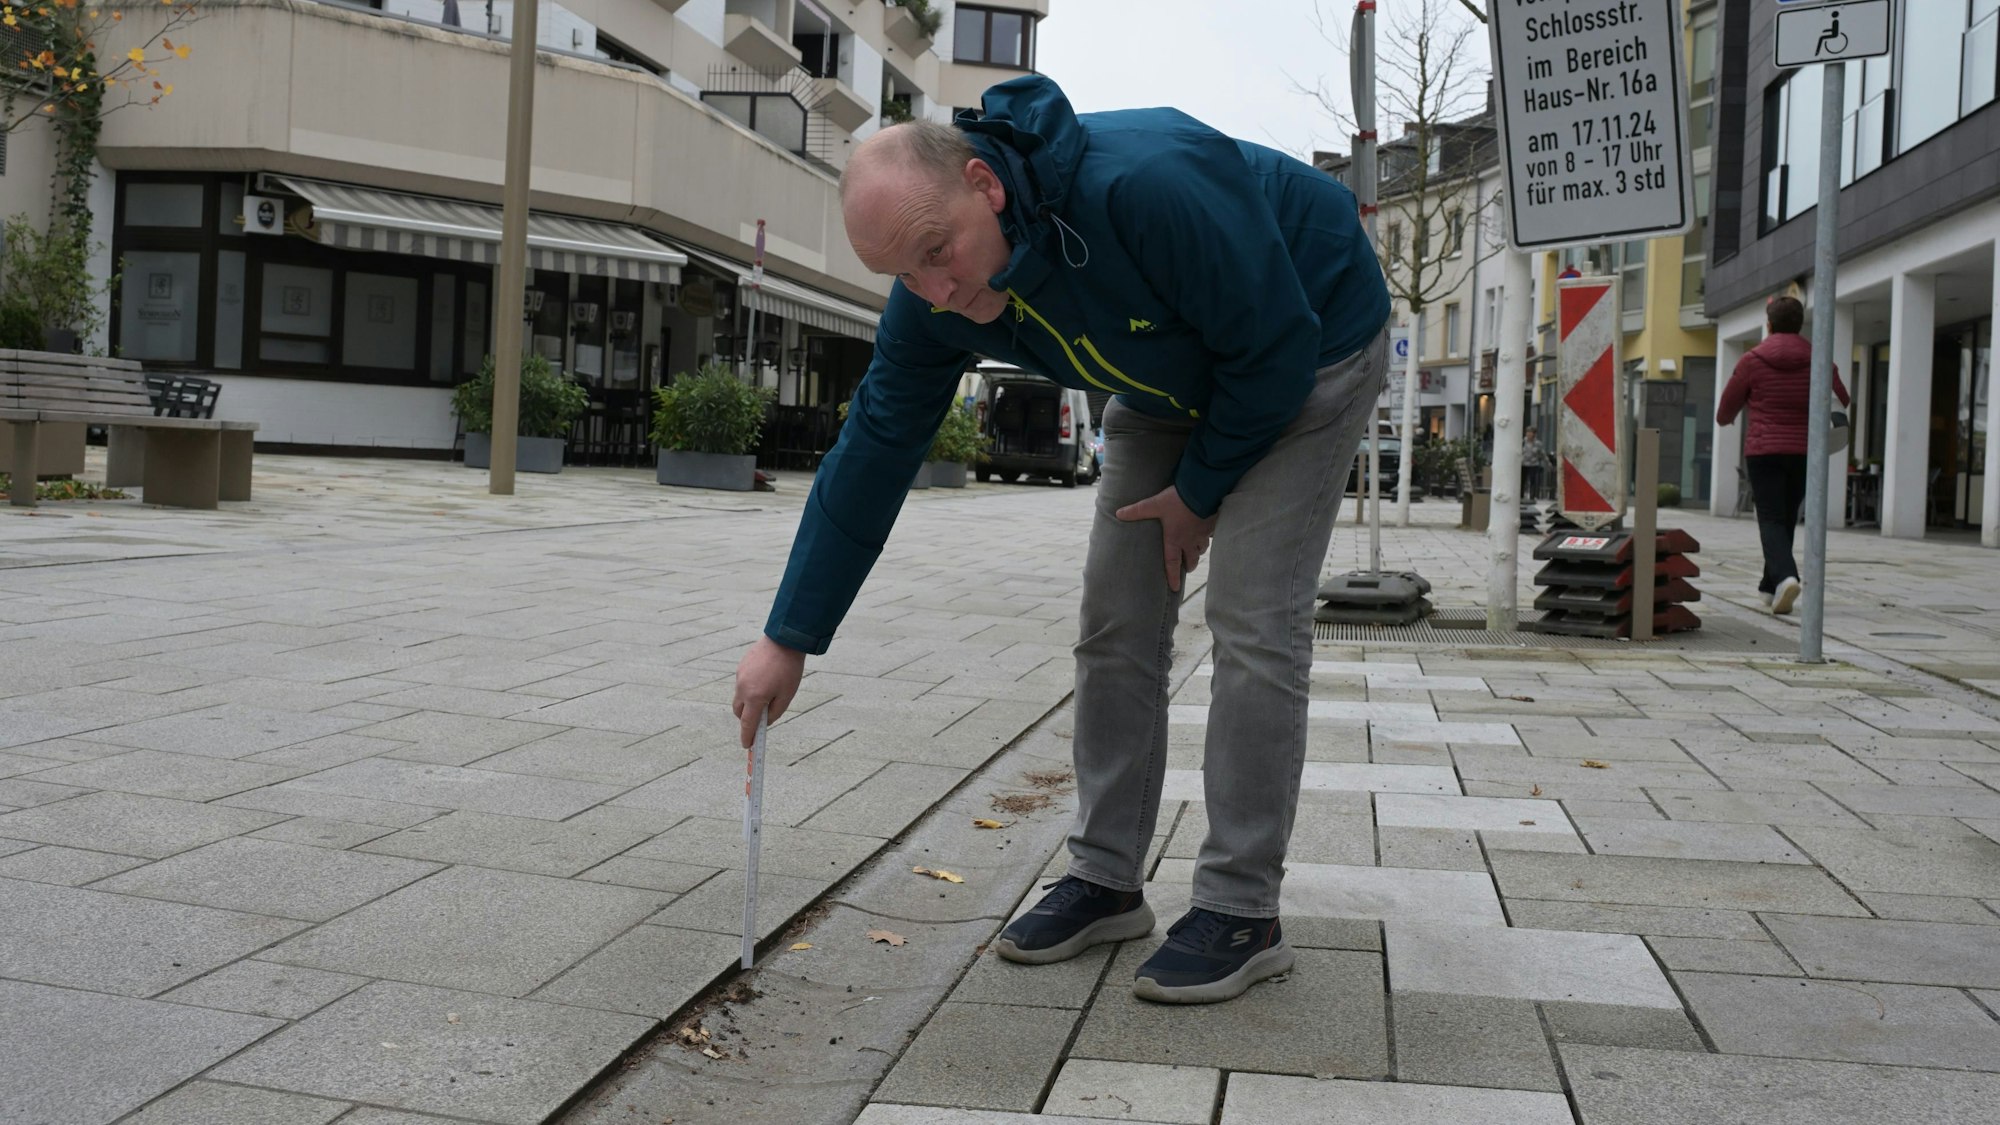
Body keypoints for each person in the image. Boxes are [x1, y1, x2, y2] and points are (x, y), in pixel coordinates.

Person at [732, 75, 1390, 1005]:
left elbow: (1273, 348)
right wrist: (788, 633)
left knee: (1251, 612)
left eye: (936, 253)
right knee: (1116, 618)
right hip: (1167, 378)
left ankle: (1242, 908)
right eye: (904, 277)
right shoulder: (936, 291)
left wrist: (1198, 492)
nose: (935, 291)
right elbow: (875, 445)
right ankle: (1106, 876)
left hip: (1308, 342)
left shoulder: (1145, 184)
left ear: (984, 185)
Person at [1716, 295, 1849, 614]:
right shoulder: (1820, 359)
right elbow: (1842, 399)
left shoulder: (1752, 360)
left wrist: (1731, 416)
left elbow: (1725, 411)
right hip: (1805, 451)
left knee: (1772, 518)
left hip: (1764, 451)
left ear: (1769, 324)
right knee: (1787, 516)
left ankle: (1786, 577)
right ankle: (1769, 586)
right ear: (1800, 324)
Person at [1521, 426, 1547, 501]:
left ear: (1534, 434)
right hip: (1523, 464)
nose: (1528, 434)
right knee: (1522, 481)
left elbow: (1543, 454)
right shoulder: (1522, 442)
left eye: (1530, 432)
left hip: (1533, 464)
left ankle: (1532, 497)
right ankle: (1521, 496)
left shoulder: (1538, 443)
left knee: (1533, 481)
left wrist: (1548, 463)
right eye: (1527, 432)